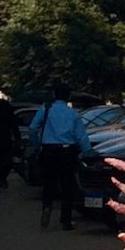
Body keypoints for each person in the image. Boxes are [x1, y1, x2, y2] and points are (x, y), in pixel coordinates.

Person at [26, 86, 89, 230]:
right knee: (67, 185)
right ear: (68, 97)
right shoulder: (73, 114)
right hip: (67, 152)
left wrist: (36, 144)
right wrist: (87, 151)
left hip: (48, 151)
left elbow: (32, 128)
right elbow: (81, 136)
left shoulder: (45, 109)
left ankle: (47, 206)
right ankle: (65, 220)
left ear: (54, 96)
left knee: (49, 183)